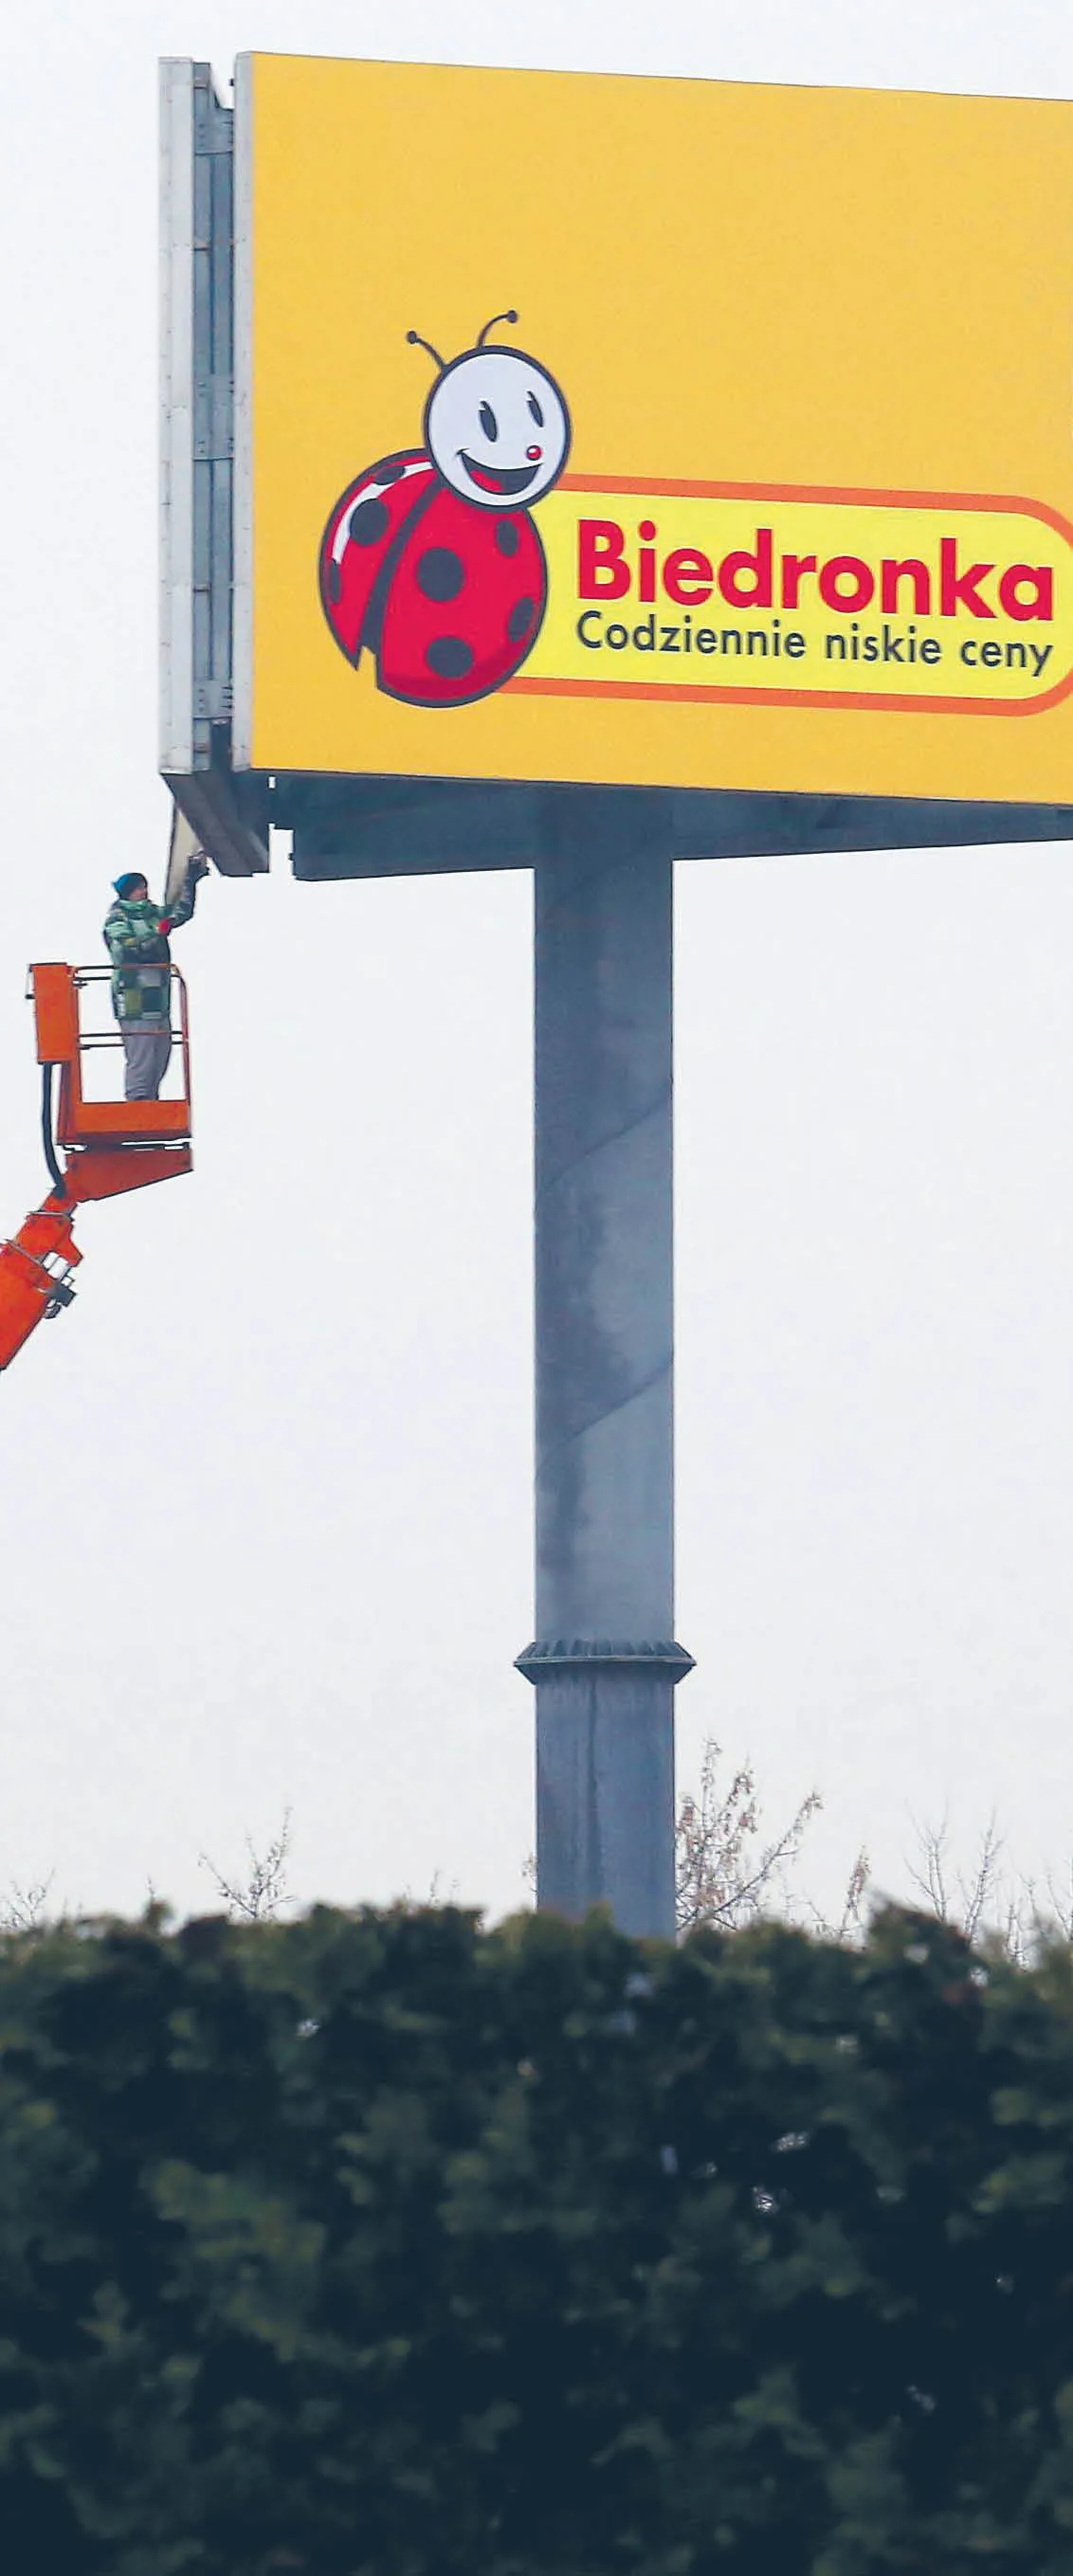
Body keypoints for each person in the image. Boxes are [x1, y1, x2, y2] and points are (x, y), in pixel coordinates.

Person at [103, 859, 208, 1100]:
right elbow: (128, 950)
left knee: (161, 1052)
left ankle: (149, 1100)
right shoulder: (117, 919)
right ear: (129, 892)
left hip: (157, 997)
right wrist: (156, 934)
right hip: (134, 996)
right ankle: (138, 1101)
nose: (145, 891)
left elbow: (180, 913)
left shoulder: (152, 914)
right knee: (141, 1051)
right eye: (140, 887)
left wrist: (191, 881)